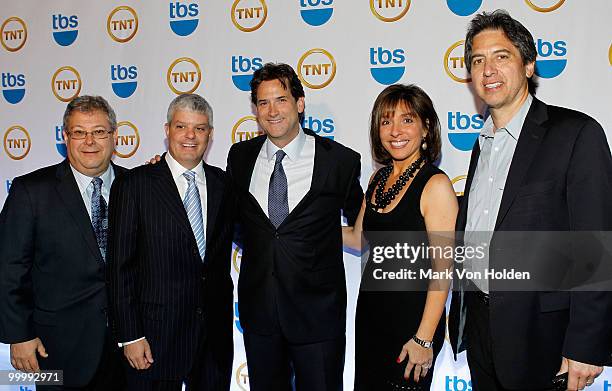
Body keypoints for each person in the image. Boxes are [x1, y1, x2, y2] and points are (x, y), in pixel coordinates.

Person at [448, 10, 612, 391]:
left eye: (501, 56)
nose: (487, 69)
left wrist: (587, 345)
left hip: (545, 339)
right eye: (477, 60)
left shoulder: (576, 134)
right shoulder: (481, 146)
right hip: (481, 330)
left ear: (529, 64)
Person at [226, 62, 363, 391]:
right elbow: (237, 222)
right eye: (262, 102)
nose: (272, 111)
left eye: (281, 100)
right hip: (260, 318)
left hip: (319, 319)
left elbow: (363, 224)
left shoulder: (338, 161)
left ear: (300, 104)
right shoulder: (240, 157)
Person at [108, 94, 233, 391]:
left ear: (210, 135)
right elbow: (119, 268)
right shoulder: (135, 184)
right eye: (181, 127)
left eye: (200, 129)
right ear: (167, 130)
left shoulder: (224, 184)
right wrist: (131, 335)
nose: (190, 136)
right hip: (153, 340)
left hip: (212, 342)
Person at [0, 95, 127, 390]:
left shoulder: (137, 187)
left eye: (99, 132)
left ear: (114, 136)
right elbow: (7, 269)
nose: (90, 141)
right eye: (79, 132)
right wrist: (19, 335)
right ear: (65, 137)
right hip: (55, 350)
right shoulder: (30, 192)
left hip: (127, 349)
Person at [342, 84, 458, 390]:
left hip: (412, 325)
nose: (395, 131)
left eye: (407, 120)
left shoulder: (436, 185)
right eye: (386, 121)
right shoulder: (378, 179)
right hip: (371, 318)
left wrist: (424, 337)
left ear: (426, 127)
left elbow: (443, 271)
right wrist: (306, 224)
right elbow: (357, 238)